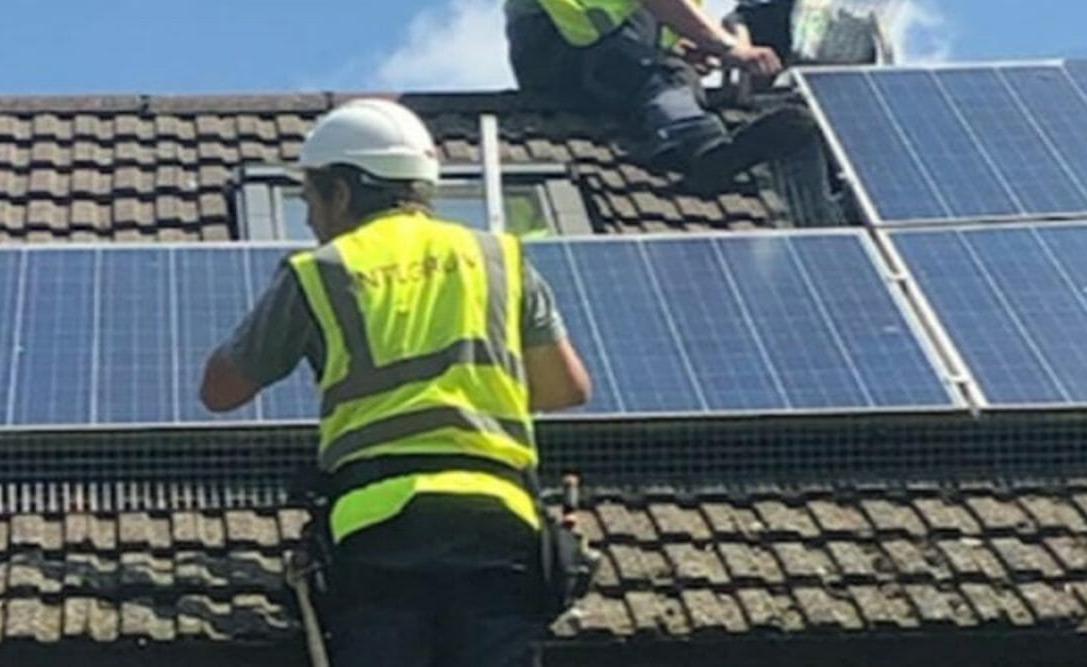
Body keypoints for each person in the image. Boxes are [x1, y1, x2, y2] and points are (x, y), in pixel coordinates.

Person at [197, 98, 595, 667]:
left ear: (342, 190)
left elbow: (221, 391)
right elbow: (567, 388)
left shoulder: (323, 270)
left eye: (310, 197)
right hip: (501, 520)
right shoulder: (499, 257)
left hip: (378, 527)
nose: (309, 218)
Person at [507, 0, 819, 194]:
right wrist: (730, 48)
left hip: (595, 51)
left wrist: (691, 48)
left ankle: (678, 140)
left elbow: (665, 20)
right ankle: (698, 147)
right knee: (659, 75)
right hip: (557, 48)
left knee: (677, 76)